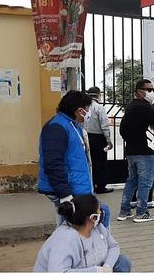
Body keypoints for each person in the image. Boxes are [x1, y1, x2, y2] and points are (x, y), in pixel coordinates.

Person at [38, 90, 110, 228]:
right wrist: (65, 194)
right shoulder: (57, 128)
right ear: (79, 110)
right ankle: (82, 248)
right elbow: (53, 164)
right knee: (90, 219)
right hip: (68, 189)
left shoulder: (72, 125)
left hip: (75, 187)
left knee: (94, 216)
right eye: (88, 108)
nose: (89, 112)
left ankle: (89, 247)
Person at [34, 194, 132, 272]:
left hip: (92, 268)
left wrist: (107, 266)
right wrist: (96, 271)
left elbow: (113, 246)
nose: (101, 213)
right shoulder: (65, 239)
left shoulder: (97, 227)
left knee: (122, 261)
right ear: (92, 218)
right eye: (99, 210)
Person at [117, 79, 154, 223]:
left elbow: (122, 129)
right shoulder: (147, 107)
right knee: (145, 183)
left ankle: (124, 211)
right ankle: (142, 212)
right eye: (149, 90)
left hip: (131, 151)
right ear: (139, 91)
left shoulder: (130, 106)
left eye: (153, 90)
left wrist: (133, 140)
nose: (152, 92)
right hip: (146, 152)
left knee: (131, 181)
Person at [84, 87, 114, 194]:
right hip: (98, 138)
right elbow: (105, 125)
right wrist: (108, 140)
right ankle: (101, 186)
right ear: (98, 95)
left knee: (89, 162)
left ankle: (90, 185)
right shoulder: (99, 108)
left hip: (85, 137)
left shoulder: (83, 107)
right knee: (100, 162)